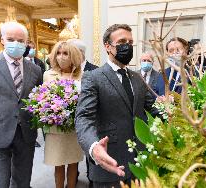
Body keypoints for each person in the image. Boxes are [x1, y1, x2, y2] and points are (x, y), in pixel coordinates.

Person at [75, 24, 158, 187]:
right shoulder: (93, 77)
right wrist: (93, 147)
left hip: (140, 161)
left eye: (130, 41)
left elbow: (153, 108)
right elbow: (84, 117)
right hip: (110, 162)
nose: (127, 45)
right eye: (122, 41)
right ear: (108, 46)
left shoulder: (137, 77)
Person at [0, 21, 43, 188]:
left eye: (21, 40)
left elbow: (38, 100)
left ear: (27, 42)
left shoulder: (35, 70)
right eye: (10, 39)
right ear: (2, 40)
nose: (16, 43)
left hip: (25, 133)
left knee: (22, 181)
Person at [43, 41, 84, 188]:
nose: (62, 57)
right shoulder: (48, 75)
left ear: (73, 56)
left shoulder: (82, 76)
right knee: (58, 163)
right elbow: (43, 99)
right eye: (59, 53)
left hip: (74, 128)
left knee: (73, 162)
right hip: (56, 128)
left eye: (65, 53)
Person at [67, 38, 98, 187]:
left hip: (89, 118)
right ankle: (73, 177)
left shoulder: (95, 70)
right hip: (67, 120)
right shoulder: (66, 70)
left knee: (89, 148)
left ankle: (92, 177)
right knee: (70, 150)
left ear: (80, 53)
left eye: (70, 52)